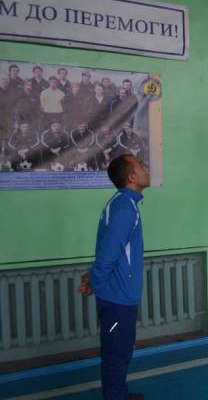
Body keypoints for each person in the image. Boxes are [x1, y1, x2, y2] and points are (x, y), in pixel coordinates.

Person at [78, 154, 149, 400]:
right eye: (140, 165)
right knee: (116, 354)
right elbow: (109, 253)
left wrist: (93, 276)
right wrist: (95, 282)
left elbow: (109, 249)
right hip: (118, 297)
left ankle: (119, 394)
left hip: (119, 293)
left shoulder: (122, 204)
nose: (145, 167)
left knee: (120, 351)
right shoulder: (123, 209)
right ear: (131, 177)